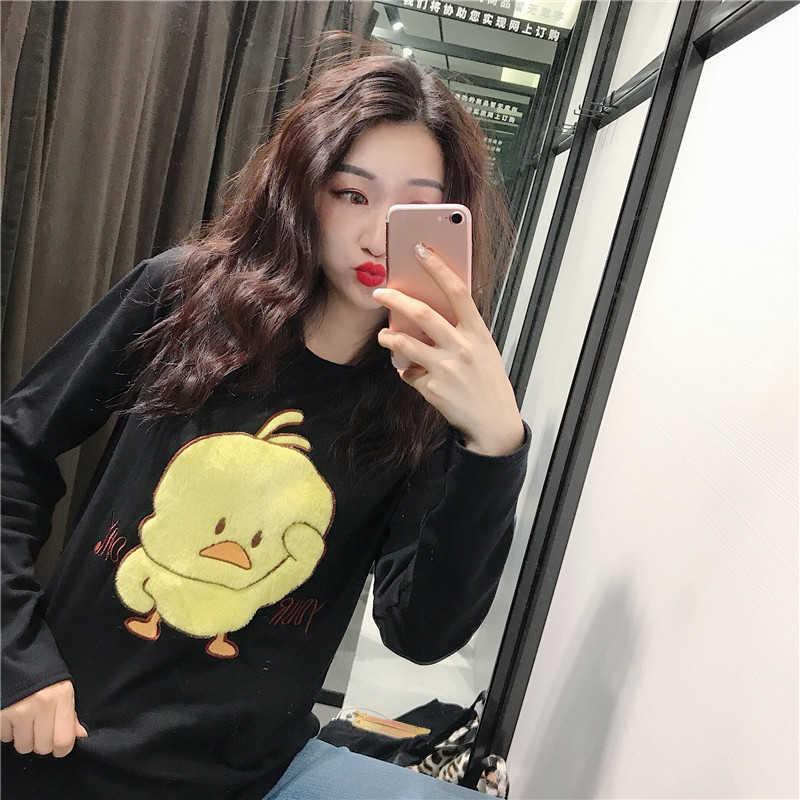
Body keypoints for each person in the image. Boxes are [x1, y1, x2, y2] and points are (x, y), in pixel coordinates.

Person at [1, 44, 529, 800]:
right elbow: (14, 451)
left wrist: (494, 447)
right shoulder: (184, 298)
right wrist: (16, 659)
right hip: (59, 743)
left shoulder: (423, 395)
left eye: (416, 206)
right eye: (352, 194)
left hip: (251, 778)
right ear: (303, 189)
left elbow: (421, 634)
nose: (380, 233)